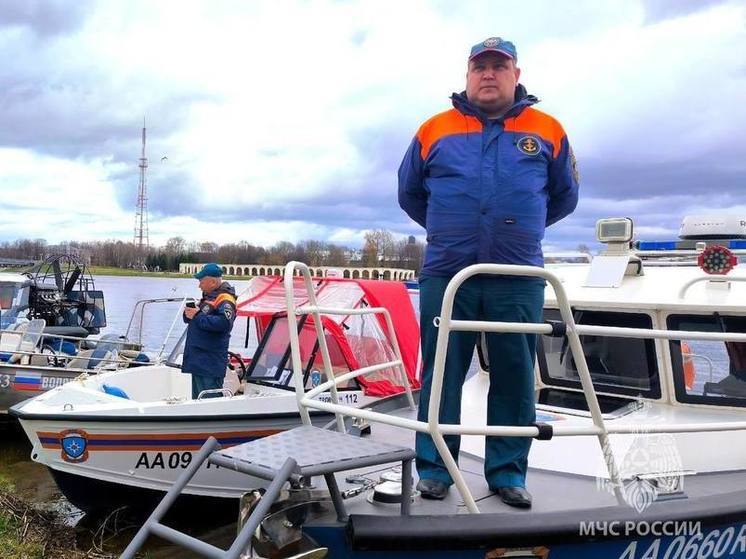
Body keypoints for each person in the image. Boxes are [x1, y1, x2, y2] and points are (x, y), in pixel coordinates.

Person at [398, 37, 579, 508]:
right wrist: (449, 229)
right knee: (440, 371)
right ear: (468, 74)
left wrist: (520, 231)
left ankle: (507, 472)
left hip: (516, 275)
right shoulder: (432, 130)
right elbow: (411, 194)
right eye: (480, 66)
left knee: (516, 374)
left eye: (499, 66)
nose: (489, 74)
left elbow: (563, 197)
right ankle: (435, 469)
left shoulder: (548, 130)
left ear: (516, 74)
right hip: (446, 272)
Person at [182, 263, 237, 399]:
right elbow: (199, 319)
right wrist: (189, 313)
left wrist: (197, 315)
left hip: (210, 363)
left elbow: (224, 323)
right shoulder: (208, 298)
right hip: (199, 361)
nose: (199, 285)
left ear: (212, 282)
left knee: (210, 402)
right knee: (198, 402)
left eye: (201, 281)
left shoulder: (225, 300)